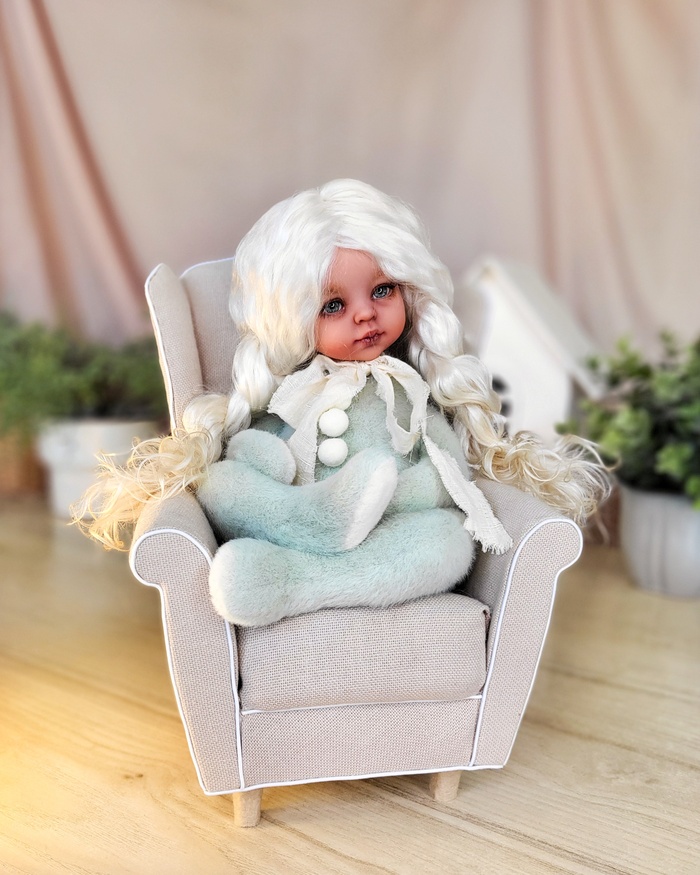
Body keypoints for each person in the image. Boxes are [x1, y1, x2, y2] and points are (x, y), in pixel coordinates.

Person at [77, 179, 609, 625]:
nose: (365, 314)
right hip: (292, 515)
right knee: (218, 481)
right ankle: (317, 517)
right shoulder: (297, 388)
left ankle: (296, 582)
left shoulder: (409, 390)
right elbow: (258, 445)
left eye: (381, 291)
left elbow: (447, 473)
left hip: (383, 539)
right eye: (334, 305)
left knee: (447, 541)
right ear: (295, 321)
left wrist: (394, 490)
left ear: (408, 293)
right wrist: (259, 459)